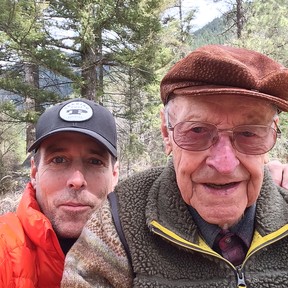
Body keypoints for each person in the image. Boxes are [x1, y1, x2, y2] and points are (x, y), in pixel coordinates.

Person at [61, 45, 288, 288]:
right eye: (197, 130)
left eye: (249, 133)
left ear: (270, 135)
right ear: (166, 134)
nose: (224, 164)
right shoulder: (120, 222)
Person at [0, 98, 119, 287]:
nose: (77, 180)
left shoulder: (140, 253)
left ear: (114, 175)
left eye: (95, 161)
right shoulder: (5, 249)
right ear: (34, 172)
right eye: (58, 160)